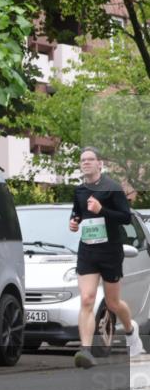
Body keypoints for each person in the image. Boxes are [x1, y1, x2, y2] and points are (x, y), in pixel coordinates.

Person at [69, 147, 145, 367]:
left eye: (90, 159)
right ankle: (85, 351)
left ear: (99, 164)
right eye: (83, 160)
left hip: (110, 251)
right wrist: (74, 222)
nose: (86, 163)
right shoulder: (80, 190)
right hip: (88, 251)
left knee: (113, 303)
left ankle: (130, 331)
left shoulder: (113, 188)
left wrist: (101, 210)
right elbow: (77, 213)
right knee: (87, 299)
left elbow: (125, 218)